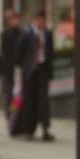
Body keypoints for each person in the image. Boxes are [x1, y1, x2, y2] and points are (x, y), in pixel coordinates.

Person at [17, 10, 55, 141]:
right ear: (34, 19)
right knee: (29, 100)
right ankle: (29, 129)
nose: (41, 22)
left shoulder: (48, 34)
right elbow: (20, 52)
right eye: (38, 19)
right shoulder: (26, 33)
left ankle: (45, 129)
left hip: (42, 69)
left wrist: (50, 71)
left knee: (43, 100)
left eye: (43, 19)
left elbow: (50, 52)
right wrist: (23, 68)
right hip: (29, 72)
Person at [0, 10, 23, 115]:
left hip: (20, 68)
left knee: (19, 94)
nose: (16, 21)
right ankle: (9, 114)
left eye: (17, 19)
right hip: (8, 69)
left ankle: (18, 115)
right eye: (13, 19)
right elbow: (4, 52)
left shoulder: (22, 33)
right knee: (9, 93)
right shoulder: (5, 33)